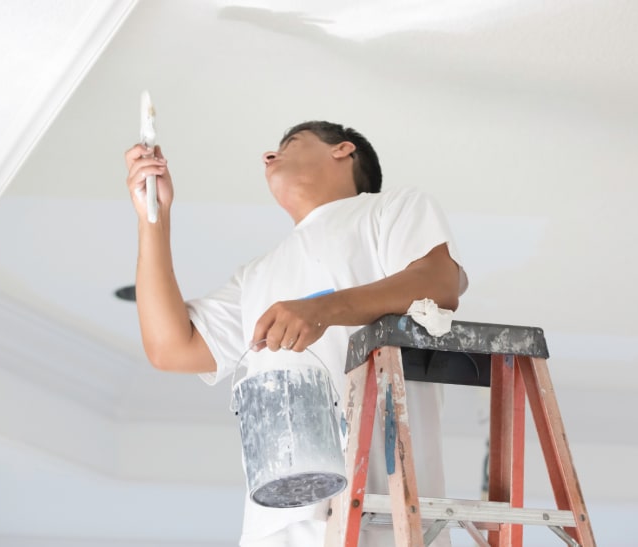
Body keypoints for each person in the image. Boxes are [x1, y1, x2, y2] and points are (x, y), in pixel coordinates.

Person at [124, 121, 467, 546]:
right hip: (279, 521)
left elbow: (439, 282)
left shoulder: (387, 210)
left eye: (290, 144)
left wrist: (324, 308)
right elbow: (171, 347)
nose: (269, 157)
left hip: (381, 513)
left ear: (343, 150)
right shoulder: (257, 275)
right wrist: (152, 218)